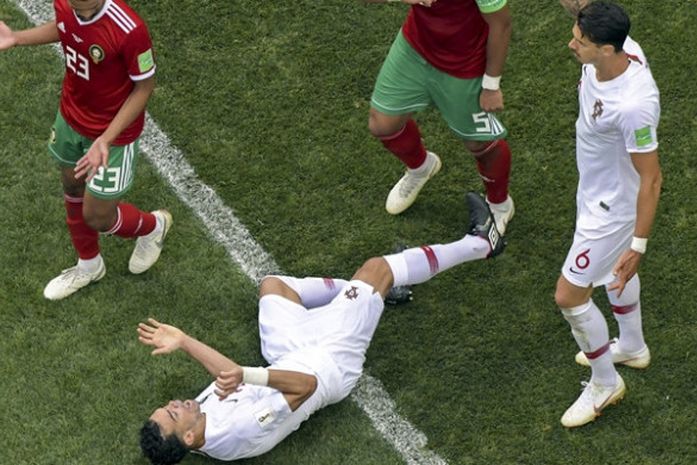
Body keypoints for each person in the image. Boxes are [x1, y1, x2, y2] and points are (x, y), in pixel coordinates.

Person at [137, 192, 504, 464]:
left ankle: (368, 293)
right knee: (378, 268)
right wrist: (249, 373)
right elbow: (305, 386)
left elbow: (228, 377)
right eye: (171, 413)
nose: (172, 403)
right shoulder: (240, 432)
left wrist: (185, 341)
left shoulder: (196, 423)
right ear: (186, 436)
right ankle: (481, 242)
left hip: (289, 356)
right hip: (327, 365)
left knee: (273, 286)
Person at [0, 0, 171, 300]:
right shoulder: (65, 5)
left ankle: (153, 227)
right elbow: (65, 28)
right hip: (70, 117)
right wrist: (17, 38)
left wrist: (105, 139)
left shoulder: (130, 30)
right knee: (72, 187)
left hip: (113, 138)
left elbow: (144, 87)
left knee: (98, 217)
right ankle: (89, 265)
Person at [555, 1, 662, 428]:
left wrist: (637, 244)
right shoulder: (615, 44)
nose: (571, 45)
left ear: (605, 49)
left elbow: (652, 179)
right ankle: (633, 346)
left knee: (570, 296)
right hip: (595, 191)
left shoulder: (634, 104)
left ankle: (604, 383)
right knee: (615, 276)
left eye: (580, 42)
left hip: (612, 210)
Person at [366, 0, 515, 235]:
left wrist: (491, 85)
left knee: (480, 143)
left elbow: (501, 24)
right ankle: (421, 168)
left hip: (466, 65)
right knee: (382, 123)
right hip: (414, 48)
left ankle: (499, 204)